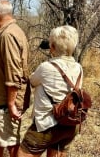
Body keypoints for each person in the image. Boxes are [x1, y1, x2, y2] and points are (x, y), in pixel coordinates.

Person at [17, 25, 81, 157]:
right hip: (69, 125)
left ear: (52, 47)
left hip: (46, 125)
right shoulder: (79, 68)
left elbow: (33, 81)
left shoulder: (46, 67)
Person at [0, 0, 29, 157]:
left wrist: (11, 104)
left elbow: (13, 72)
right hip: (0, 101)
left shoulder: (8, 35)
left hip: (5, 103)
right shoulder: (9, 32)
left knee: (11, 144)